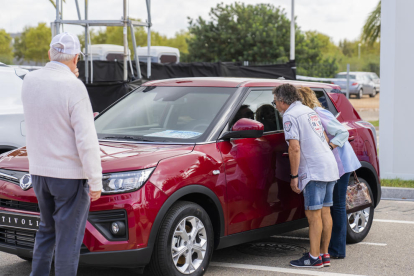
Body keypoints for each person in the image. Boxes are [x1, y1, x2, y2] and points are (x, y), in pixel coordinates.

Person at [21, 32, 102, 276]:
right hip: (68, 176)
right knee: (68, 241)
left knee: (46, 231)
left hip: (38, 172)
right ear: (76, 57)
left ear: (49, 53)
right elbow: (86, 140)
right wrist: (95, 180)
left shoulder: (30, 80)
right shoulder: (74, 87)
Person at [272, 84, 339, 268]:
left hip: (314, 170)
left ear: (283, 101)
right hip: (329, 166)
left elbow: (294, 147)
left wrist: (294, 176)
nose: (275, 105)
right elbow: (324, 138)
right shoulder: (309, 111)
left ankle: (313, 257)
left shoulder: (290, 115)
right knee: (326, 212)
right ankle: (324, 255)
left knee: (313, 215)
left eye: (275, 101)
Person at [297, 87, 361, 259]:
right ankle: (332, 249)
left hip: (340, 162)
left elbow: (342, 132)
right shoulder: (308, 115)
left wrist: (329, 146)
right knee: (332, 207)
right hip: (333, 163)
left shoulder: (318, 112)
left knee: (337, 206)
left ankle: (337, 250)